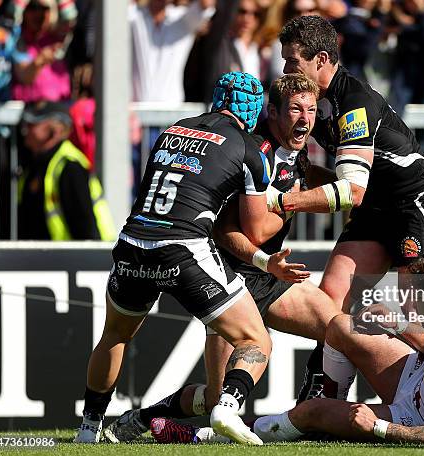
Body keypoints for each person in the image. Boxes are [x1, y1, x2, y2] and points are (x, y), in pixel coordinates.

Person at [101, 73, 343, 444]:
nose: (305, 119)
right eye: (295, 109)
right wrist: (291, 205)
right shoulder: (252, 150)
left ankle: (310, 416)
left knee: (338, 330)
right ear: (272, 112)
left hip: (270, 276)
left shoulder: (295, 154)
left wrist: (353, 193)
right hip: (228, 277)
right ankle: (144, 417)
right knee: (216, 399)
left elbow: (307, 176)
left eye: (311, 110)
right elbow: (231, 231)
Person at [74, 72, 274, 446]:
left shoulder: (174, 129)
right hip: (183, 248)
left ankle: (89, 427)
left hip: (133, 242)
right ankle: (227, 407)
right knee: (255, 338)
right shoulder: (250, 149)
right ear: (254, 108)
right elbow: (258, 229)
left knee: (114, 335)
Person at [273, 15, 424, 400]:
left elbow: (351, 192)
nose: (286, 70)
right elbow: (356, 187)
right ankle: (322, 400)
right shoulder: (316, 102)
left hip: (417, 205)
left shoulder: (355, 102)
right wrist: (303, 172)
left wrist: (283, 201)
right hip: (376, 209)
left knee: (418, 315)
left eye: (293, 62)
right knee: (332, 301)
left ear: (320, 60)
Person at [152, 256, 424, 445]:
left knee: (313, 411)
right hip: (423, 382)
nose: (406, 303)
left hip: (420, 416)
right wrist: (396, 325)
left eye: (414, 299)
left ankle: (202, 436)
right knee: (340, 325)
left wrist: (379, 428)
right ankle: (329, 409)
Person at [17, 101, 115, 240]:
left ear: (56, 130)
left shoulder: (70, 167)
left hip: (76, 258)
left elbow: (85, 227)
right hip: (50, 258)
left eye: (33, 124)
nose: (25, 129)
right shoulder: (33, 165)